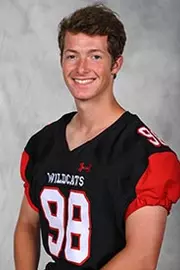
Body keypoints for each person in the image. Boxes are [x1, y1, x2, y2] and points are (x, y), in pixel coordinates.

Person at [14, 3, 180, 270]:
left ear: (116, 64)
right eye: (72, 56)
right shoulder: (43, 143)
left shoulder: (145, 155)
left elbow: (141, 257)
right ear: (61, 61)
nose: (81, 68)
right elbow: (26, 226)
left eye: (95, 56)